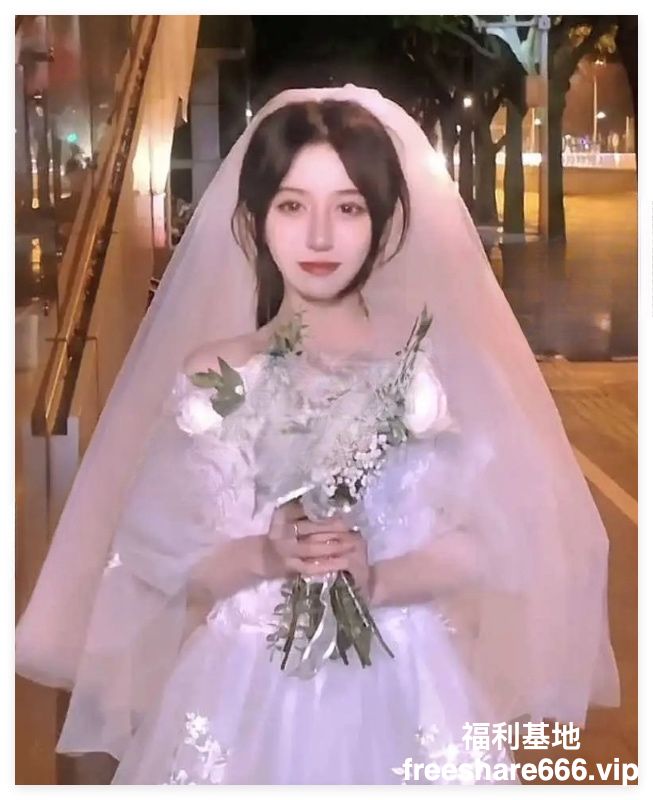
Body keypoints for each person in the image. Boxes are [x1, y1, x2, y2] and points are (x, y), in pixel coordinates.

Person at [15, 85, 620, 785]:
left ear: (384, 222)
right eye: (293, 206)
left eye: (349, 208)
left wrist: (380, 577)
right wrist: (265, 554)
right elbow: (166, 560)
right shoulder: (218, 375)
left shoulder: (430, 373)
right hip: (242, 690)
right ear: (255, 219)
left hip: (406, 685)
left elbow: (501, 539)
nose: (321, 237)